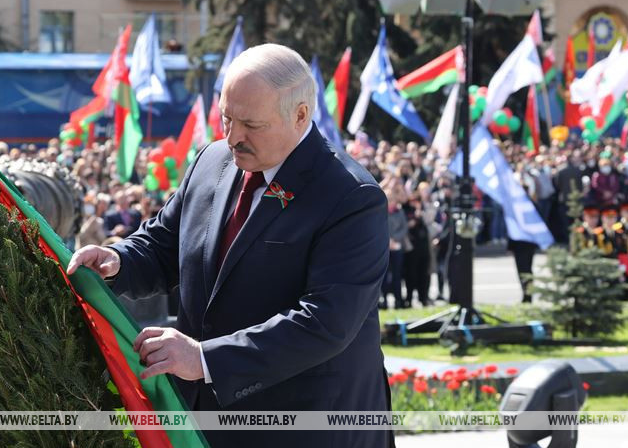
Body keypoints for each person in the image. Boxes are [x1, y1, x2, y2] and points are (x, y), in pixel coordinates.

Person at [68, 44, 393, 448]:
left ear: (300, 115)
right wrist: (117, 259)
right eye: (226, 117)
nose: (233, 136)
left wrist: (205, 359)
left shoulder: (350, 196)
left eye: (251, 124)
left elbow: (325, 322)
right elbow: (166, 244)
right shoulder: (212, 160)